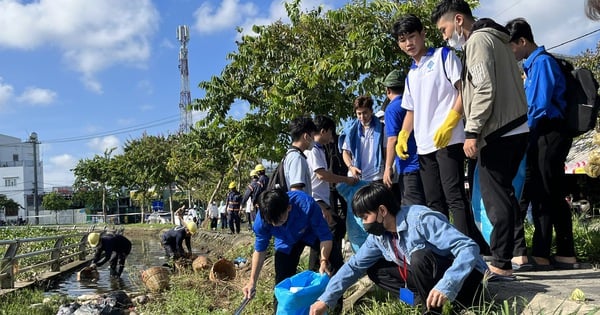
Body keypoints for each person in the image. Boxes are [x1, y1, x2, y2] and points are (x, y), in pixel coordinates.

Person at [432, 0, 529, 278]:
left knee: (495, 198)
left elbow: (484, 89)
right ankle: (509, 256)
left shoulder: (477, 42)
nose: (445, 36)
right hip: (518, 127)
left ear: (459, 20)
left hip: (498, 130)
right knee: (506, 196)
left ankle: (500, 262)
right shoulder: (498, 40)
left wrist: (472, 131)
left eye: (444, 29)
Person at [308, 182, 487, 315]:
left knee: (419, 257)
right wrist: (326, 299)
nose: (363, 224)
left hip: (465, 280)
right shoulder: (379, 237)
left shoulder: (420, 220)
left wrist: (447, 285)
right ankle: (418, 301)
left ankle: (434, 310)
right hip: (429, 280)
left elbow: (468, 247)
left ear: (382, 211)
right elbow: (353, 266)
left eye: (365, 217)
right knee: (375, 270)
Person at [393, 14, 488, 252]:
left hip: (449, 140)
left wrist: (452, 120)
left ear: (423, 34)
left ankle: (469, 251)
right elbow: (411, 111)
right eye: (402, 40)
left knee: (454, 197)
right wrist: (404, 135)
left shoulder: (444, 56)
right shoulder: (411, 74)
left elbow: (463, 91)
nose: (408, 43)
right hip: (424, 146)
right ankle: (444, 250)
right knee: (434, 202)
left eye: (412, 36)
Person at [505, 18, 578, 270]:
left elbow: (540, 106)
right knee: (548, 191)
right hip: (541, 133)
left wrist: (521, 128)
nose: (510, 53)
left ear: (522, 41)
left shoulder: (543, 63)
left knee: (545, 193)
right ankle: (559, 252)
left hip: (549, 131)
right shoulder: (531, 66)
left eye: (511, 47)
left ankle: (546, 252)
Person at [242, 188, 333, 313]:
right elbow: (260, 250)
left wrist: (323, 260)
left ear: (289, 208)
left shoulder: (306, 204)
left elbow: (325, 236)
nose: (274, 225)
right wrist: (252, 281)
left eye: (279, 220)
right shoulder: (262, 220)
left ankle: (331, 307)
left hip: (311, 234)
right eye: (271, 222)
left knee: (327, 270)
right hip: (285, 242)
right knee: (282, 282)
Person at [305, 115, 358, 278]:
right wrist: (345, 180)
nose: (332, 138)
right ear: (324, 131)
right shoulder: (313, 149)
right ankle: (328, 267)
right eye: (331, 133)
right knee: (334, 228)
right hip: (317, 200)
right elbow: (321, 175)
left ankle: (319, 268)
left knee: (327, 232)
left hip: (320, 200)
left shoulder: (319, 149)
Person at [381, 69, 425, 206]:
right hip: (427, 161)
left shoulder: (392, 109)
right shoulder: (417, 103)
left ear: (388, 90)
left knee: (413, 208)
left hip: (409, 165)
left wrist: (388, 167)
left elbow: (392, 139)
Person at [340, 95, 384, 182]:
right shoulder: (352, 130)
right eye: (359, 114)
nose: (362, 117)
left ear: (371, 111)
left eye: (365, 113)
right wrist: (351, 167)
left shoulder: (381, 128)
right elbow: (345, 152)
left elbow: (386, 150)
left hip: (376, 176)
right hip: (356, 176)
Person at [284, 116, 318, 195]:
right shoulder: (297, 158)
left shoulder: (289, 155)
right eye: (313, 136)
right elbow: (296, 192)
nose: (314, 140)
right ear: (306, 136)